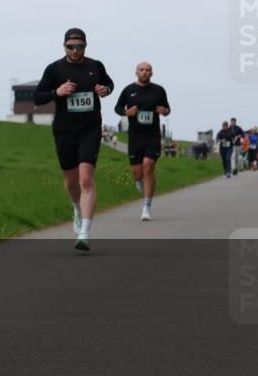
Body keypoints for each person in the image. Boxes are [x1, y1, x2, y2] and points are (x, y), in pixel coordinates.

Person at [34, 28, 114, 251]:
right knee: (71, 181)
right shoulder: (54, 69)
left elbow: (109, 84)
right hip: (64, 131)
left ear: (85, 46)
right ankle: (77, 211)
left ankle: (85, 232)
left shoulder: (95, 66)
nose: (76, 51)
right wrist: (57, 92)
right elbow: (38, 97)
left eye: (80, 46)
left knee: (86, 179)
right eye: (71, 47)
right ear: (64, 47)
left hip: (90, 130)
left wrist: (105, 89)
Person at [113, 62, 171, 221]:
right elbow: (117, 108)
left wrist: (164, 111)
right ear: (136, 72)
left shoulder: (159, 90)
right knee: (137, 174)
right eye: (142, 70)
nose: (145, 72)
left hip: (152, 136)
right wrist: (127, 112)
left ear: (151, 73)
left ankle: (147, 206)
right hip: (135, 137)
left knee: (148, 167)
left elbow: (167, 109)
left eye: (147, 70)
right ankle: (140, 183)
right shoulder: (128, 90)